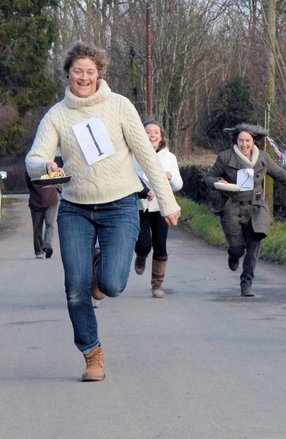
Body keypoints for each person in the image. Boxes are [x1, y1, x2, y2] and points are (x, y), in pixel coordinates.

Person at [25, 42, 180, 382]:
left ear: (99, 74)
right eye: (77, 71)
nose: (83, 77)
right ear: (68, 73)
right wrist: (44, 164)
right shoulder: (57, 115)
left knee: (112, 282)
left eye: (90, 72)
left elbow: (148, 157)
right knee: (75, 287)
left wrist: (167, 202)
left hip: (121, 204)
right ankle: (91, 352)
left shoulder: (119, 106)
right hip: (75, 209)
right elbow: (34, 158)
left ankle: (99, 270)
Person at [202, 123, 286, 298]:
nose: (244, 144)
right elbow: (209, 177)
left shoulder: (263, 158)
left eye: (248, 141)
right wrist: (220, 182)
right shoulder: (225, 157)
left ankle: (247, 284)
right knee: (238, 249)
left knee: (254, 248)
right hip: (233, 208)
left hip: (256, 209)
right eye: (241, 140)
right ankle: (233, 255)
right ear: (236, 141)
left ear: (253, 142)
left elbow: (281, 175)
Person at [133, 120, 183, 298]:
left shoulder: (169, 158)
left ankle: (157, 285)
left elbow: (178, 184)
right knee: (144, 243)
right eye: (148, 132)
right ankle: (141, 254)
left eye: (156, 132)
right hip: (138, 206)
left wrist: (170, 178)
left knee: (160, 245)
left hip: (161, 207)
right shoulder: (132, 154)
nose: (152, 135)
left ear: (161, 137)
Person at [24, 159, 61, 259]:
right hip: (48, 199)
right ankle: (45, 246)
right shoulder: (52, 165)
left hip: (39, 200)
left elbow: (28, 183)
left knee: (38, 227)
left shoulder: (31, 167)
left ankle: (41, 250)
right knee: (49, 225)